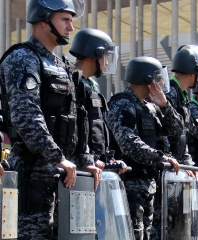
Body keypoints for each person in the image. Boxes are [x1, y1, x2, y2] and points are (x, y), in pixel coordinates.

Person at [0, 0, 102, 239]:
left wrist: (85, 158)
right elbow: (26, 115)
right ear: (44, 20)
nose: (70, 27)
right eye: (65, 20)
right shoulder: (23, 58)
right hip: (33, 174)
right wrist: (57, 157)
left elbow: (80, 118)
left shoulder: (64, 67)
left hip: (64, 178)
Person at [105, 56, 182, 240]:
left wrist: (165, 106)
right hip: (128, 185)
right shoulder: (122, 104)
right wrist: (159, 157)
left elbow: (177, 130)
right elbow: (128, 142)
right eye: (158, 78)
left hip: (149, 185)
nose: (162, 82)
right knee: (132, 234)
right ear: (147, 80)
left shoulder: (151, 107)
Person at [69, 28, 127, 174]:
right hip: (77, 168)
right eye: (106, 57)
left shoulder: (92, 85)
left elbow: (96, 127)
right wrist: (88, 160)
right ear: (96, 53)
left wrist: (107, 159)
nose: (107, 63)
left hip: (94, 167)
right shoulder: (71, 82)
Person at [167, 44, 198, 166]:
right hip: (167, 165)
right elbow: (165, 133)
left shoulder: (181, 94)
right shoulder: (170, 93)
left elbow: (183, 134)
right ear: (193, 72)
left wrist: (187, 163)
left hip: (177, 165)